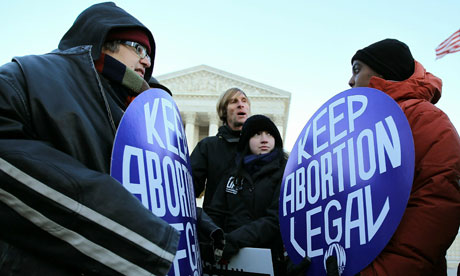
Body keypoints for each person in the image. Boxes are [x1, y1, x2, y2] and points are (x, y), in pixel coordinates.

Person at [0, 3, 180, 275]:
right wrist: (146, 241)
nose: (147, 61)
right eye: (139, 48)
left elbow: (153, 192)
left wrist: (201, 230)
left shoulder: (138, 114)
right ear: (104, 40)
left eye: (150, 56)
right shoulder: (28, 75)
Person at [348, 38, 460, 275]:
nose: (350, 81)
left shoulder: (426, 120)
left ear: (382, 73)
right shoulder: (353, 132)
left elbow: (434, 209)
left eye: (357, 70)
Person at [206, 114, 288, 275]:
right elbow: (215, 211)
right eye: (257, 134)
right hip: (227, 262)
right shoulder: (233, 174)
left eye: (269, 134)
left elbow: (275, 220)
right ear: (246, 141)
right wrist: (213, 239)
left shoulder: (285, 172)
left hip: (269, 261)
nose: (264, 139)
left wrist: (232, 241)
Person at [191, 87, 251, 211]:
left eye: (244, 100)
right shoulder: (208, 147)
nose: (241, 105)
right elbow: (189, 188)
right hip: (217, 226)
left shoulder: (260, 147)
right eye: (234, 101)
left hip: (252, 227)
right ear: (224, 110)